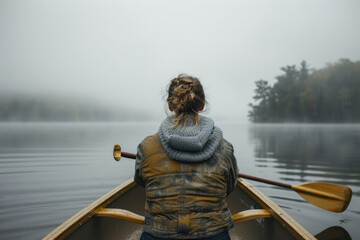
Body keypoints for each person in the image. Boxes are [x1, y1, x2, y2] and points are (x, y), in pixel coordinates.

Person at [134, 74, 238, 240]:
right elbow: (230, 187)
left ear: (170, 104)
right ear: (202, 105)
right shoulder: (224, 148)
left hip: (159, 235)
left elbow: (140, 181)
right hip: (213, 235)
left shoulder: (146, 147)